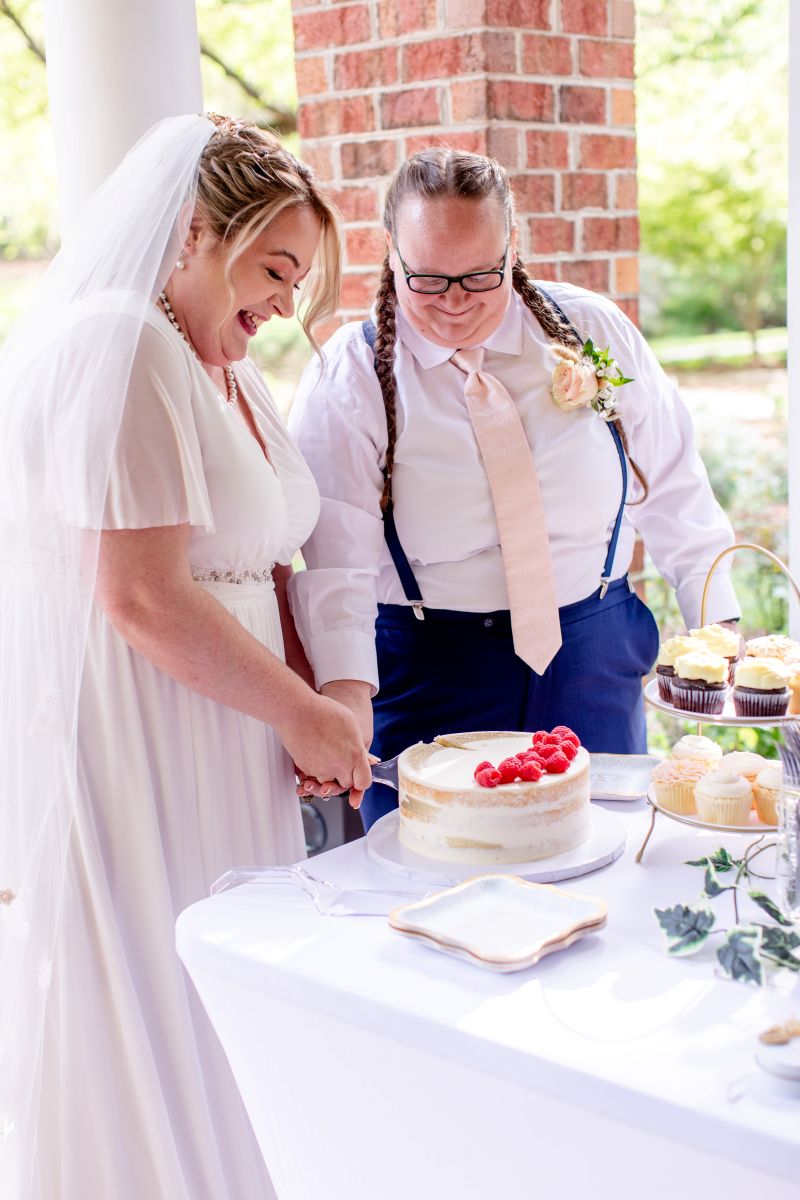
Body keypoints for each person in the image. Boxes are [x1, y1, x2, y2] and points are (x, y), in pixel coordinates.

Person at [0, 113, 370, 1199]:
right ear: (198, 230)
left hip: (232, 726)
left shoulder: (230, 374)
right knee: (159, 990)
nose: (281, 306)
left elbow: (267, 562)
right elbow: (140, 598)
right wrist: (298, 713)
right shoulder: (122, 342)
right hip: (150, 733)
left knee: (233, 996)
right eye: (273, 270)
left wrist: (320, 701)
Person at [288, 149, 740, 830]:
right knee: (443, 878)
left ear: (513, 244)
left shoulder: (593, 331)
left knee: (609, 857)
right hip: (431, 671)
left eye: (478, 276)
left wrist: (719, 634)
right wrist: (346, 700)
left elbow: (676, 486)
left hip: (595, 652)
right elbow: (337, 568)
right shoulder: (347, 381)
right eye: (429, 280)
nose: (455, 303)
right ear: (390, 253)